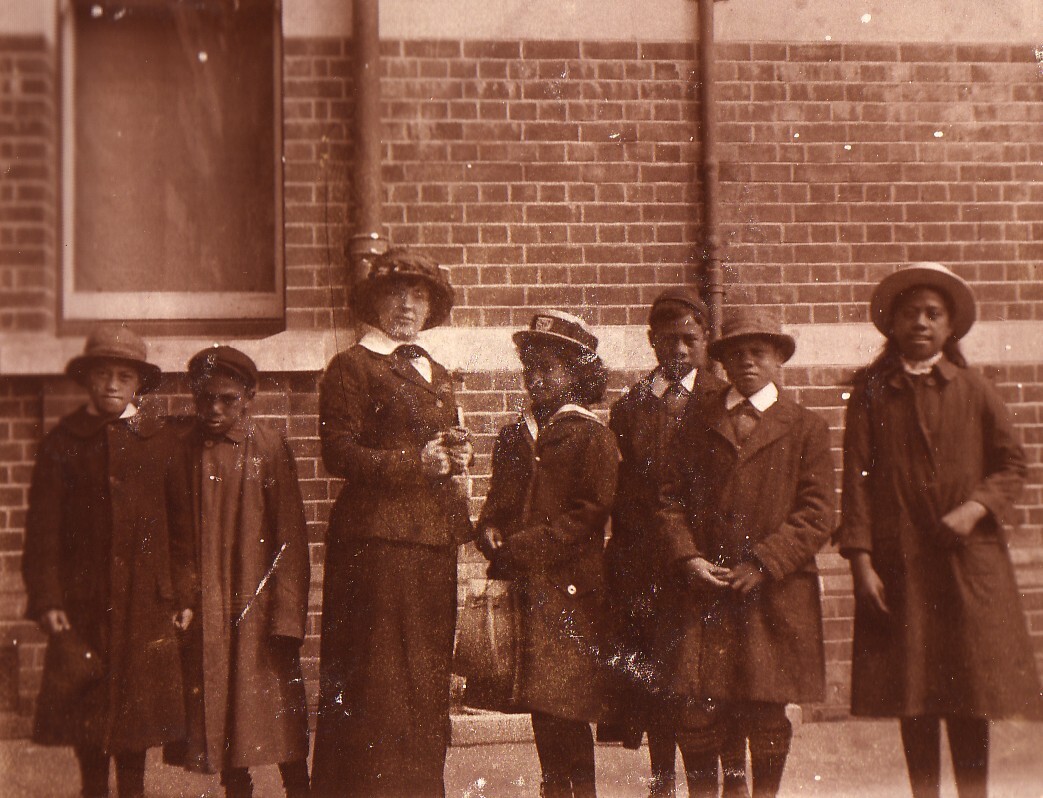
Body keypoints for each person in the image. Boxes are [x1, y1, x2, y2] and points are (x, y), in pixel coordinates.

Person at [835, 262, 1041, 798]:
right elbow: (855, 484)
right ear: (892, 324)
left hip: (966, 566)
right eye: (910, 313)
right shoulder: (872, 394)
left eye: (933, 314)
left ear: (950, 327)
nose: (921, 323)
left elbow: (1012, 464)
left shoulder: (973, 389)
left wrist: (975, 509)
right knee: (915, 692)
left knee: (968, 692)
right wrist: (861, 563)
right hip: (901, 565)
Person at [311, 248, 475, 798]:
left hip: (430, 544)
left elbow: (437, 449)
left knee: (424, 680)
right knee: (378, 682)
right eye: (395, 293)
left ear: (432, 307)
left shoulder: (437, 370)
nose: (406, 305)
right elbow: (338, 453)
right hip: (376, 546)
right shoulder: (352, 367)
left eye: (419, 295)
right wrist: (415, 463)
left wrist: (456, 458)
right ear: (374, 302)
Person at [657, 307, 834, 798]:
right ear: (723, 364)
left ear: (779, 359)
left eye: (759, 352)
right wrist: (688, 557)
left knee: (763, 706)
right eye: (736, 354)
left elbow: (818, 512)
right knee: (700, 707)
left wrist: (765, 562)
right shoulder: (697, 423)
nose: (747, 362)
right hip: (707, 588)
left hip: (773, 591)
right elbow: (667, 499)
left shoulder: (804, 427)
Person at [21, 324, 195, 798]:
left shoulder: (161, 444)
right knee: (88, 713)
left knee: (136, 719)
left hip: (145, 601)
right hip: (83, 601)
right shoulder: (63, 443)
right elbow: (42, 533)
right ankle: (92, 790)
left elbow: (183, 531)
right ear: (87, 380)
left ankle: (132, 791)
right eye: (102, 374)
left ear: (139, 384)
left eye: (124, 376)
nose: (113, 385)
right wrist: (48, 597)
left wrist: (182, 593)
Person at [605, 289, 746, 798]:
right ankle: (662, 781)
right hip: (646, 565)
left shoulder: (723, 399)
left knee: (714, 682)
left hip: (705, 561)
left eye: (691, 339)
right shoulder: (630, 408)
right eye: (670, 340)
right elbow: (620, 493)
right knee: (660, 683)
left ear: (705, 341)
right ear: (652, 342)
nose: (681, 350)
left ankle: (731, 781)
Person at [477, 310, 620, 798]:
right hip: (527, 590)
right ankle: (553, 788)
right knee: (541, 704)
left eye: (549, 369)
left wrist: (520, 548)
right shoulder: (515, 437)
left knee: (569, 706)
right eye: (530, 369)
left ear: (577, 375)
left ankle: (581, 791)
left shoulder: (591, 436)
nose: (536, 379)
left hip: (572, 593)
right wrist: (490, 532)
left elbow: (588, 513)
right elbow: (496, 504)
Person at [166, 346, 311, 798]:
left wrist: (288, 615)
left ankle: (299, 786)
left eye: (226, 399)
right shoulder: (183, 450)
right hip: (210, 600)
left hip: (259, 603)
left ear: (248, 395)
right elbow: (176, 534)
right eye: (204, 398)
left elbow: (290, 536)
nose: (213, 409)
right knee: (221, 704)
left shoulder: (266, 446)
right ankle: (236, 787)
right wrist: (184, 597)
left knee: (278, 709)